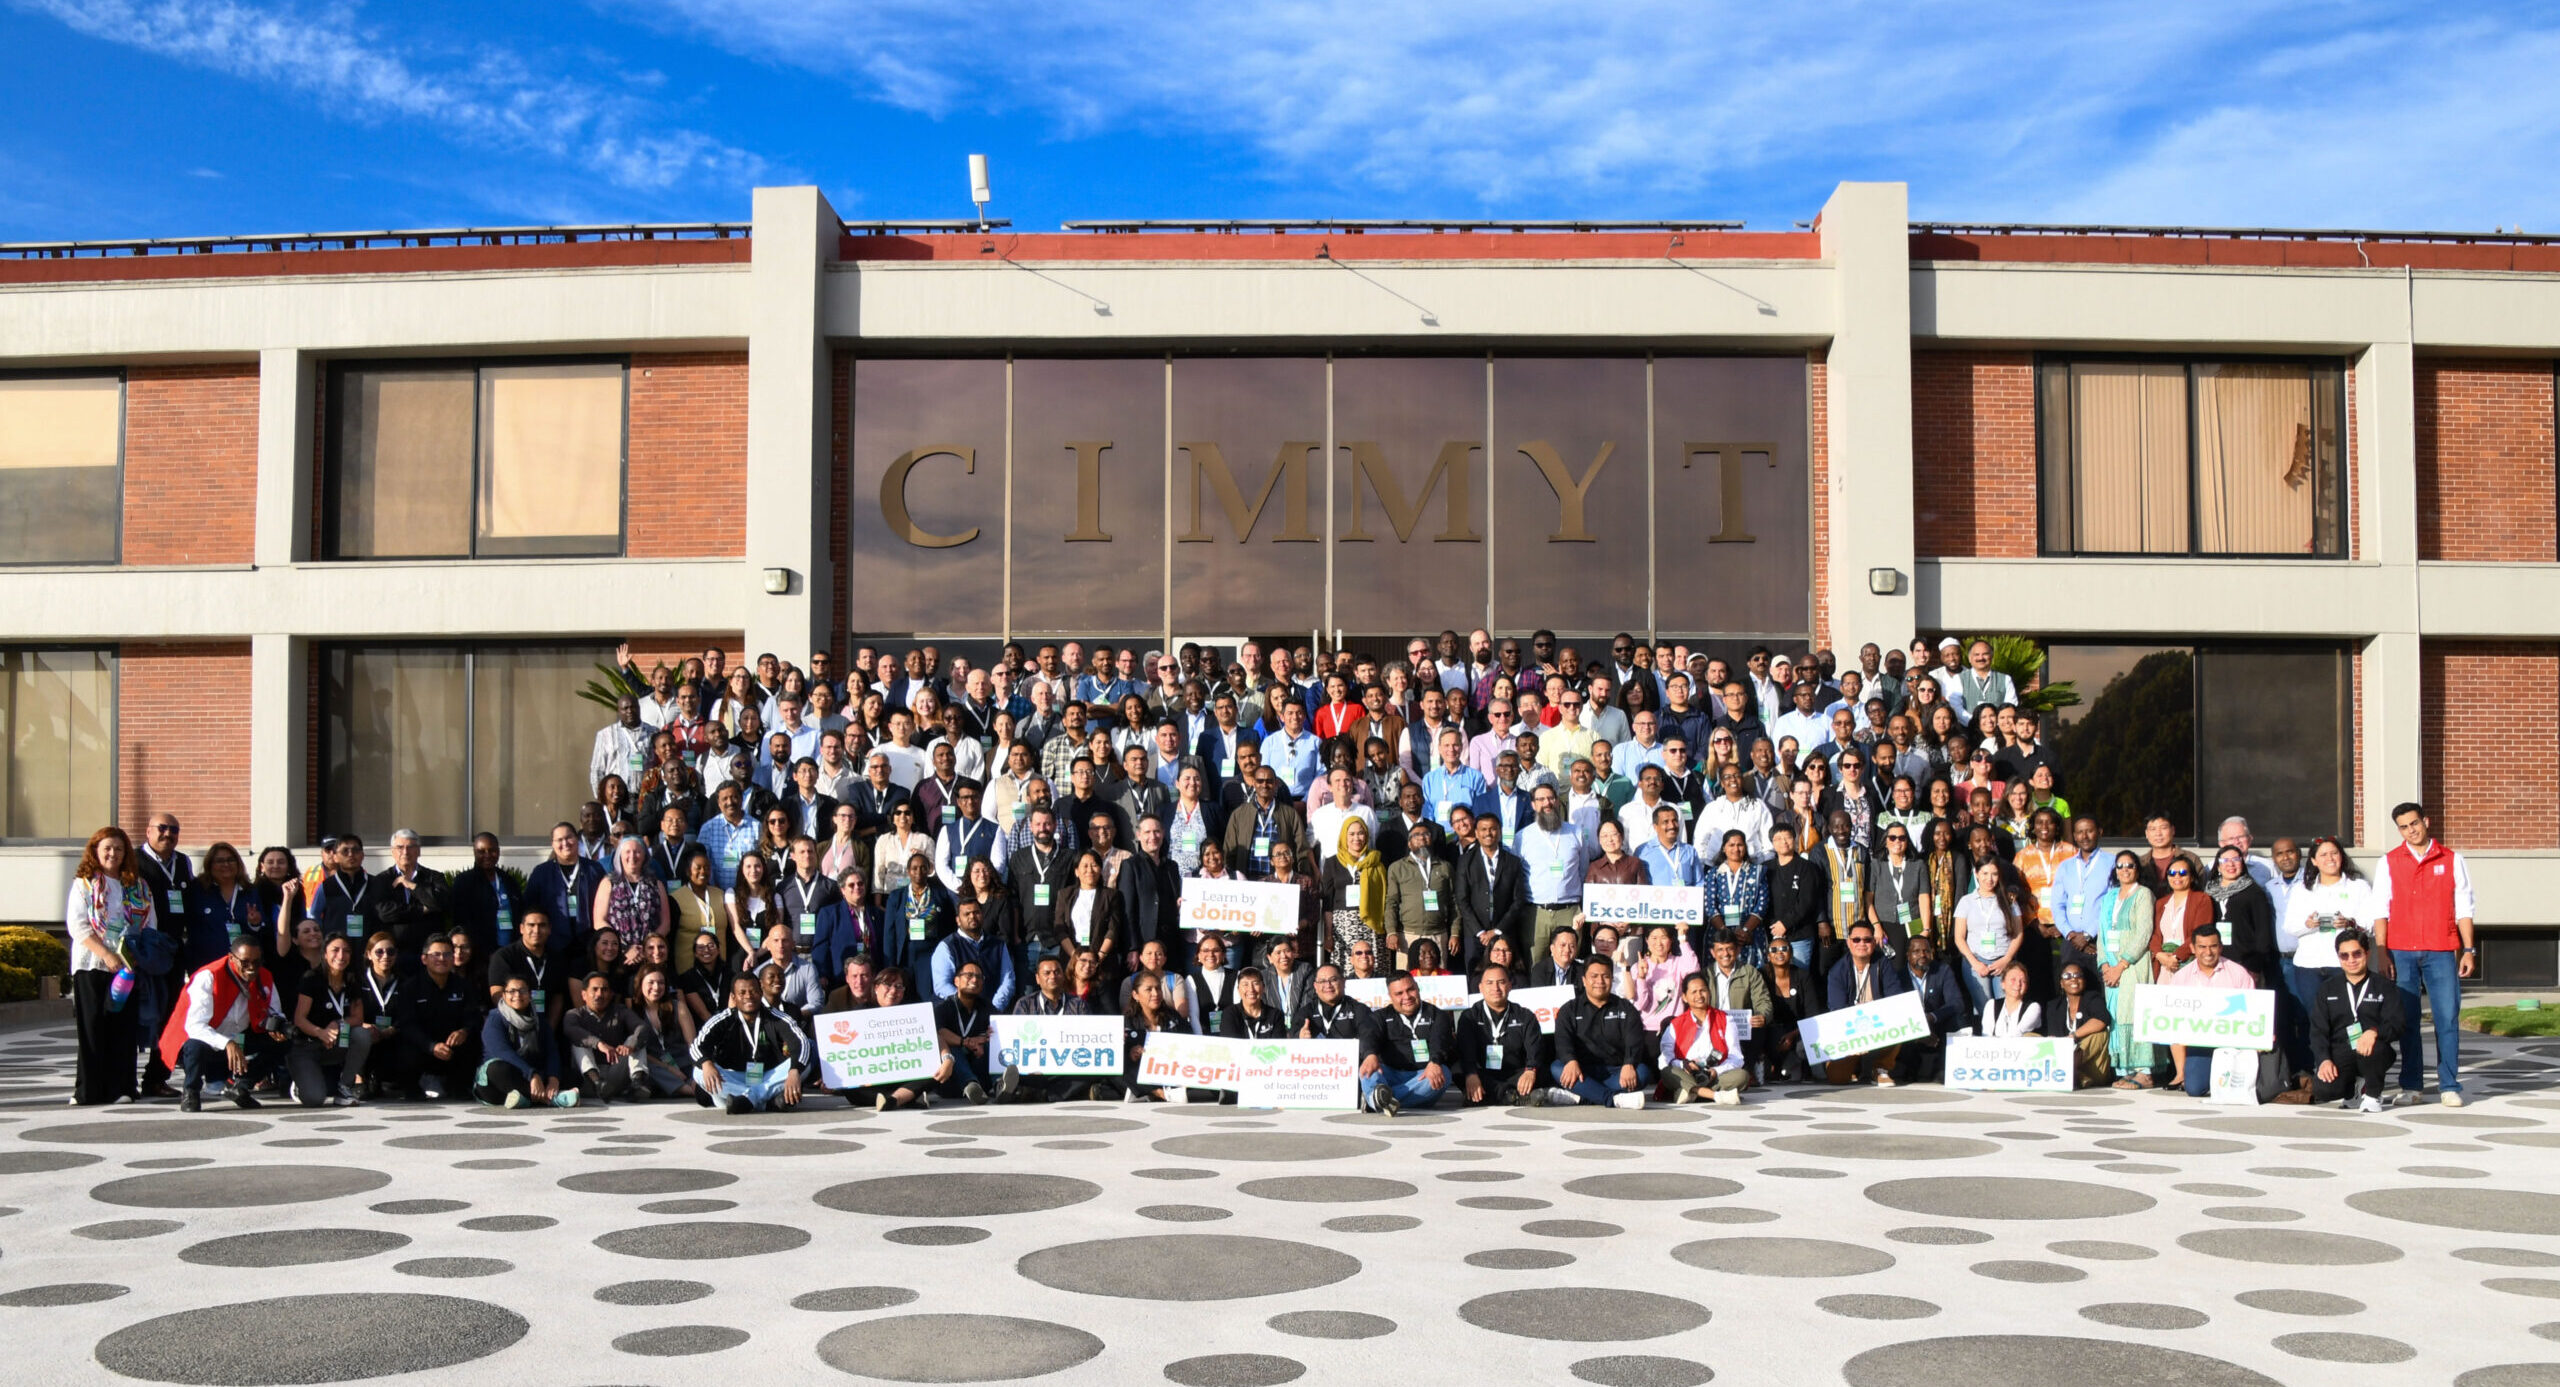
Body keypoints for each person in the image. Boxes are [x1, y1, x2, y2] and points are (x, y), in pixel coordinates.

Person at [2373, 801, 2477, 1106]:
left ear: (2426, 822)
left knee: (2447, 1018)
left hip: (2442, 950)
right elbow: (2380, 909)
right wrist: (2382, 952)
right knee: (2407, 1020)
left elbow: (2465, 908)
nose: (2411, 830)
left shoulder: (2452, 858)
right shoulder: (2389, 861)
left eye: (2414, 823)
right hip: (2401, 950)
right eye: (2404, 826)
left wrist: (2468, 950)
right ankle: (2412, 1086)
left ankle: (2449, 1086)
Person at [68, 826, 158, 1106]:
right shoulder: (84, 883)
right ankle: (88, 1090)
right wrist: (107, 955)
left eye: (118, 849)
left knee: (123, 1029)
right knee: (92, 1028)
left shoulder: (139, 886)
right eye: (107, 848)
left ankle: (123, 1088)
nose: (113, 854)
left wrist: (130, 956)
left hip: (127, 967)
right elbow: (78, 925)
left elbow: (149, 924)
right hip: (92, 965)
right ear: (96, 850)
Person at [163, 934, 290, 1111]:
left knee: (283, 1042)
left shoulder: (264, 976)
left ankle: (241, 1086)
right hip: (207, 1039)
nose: (251, 968)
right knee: (194, 1045)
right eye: (245, 962)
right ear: (232, 958)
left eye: (256, 962)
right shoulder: (209, 976)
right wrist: (227, 1043)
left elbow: (275, 1011)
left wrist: (278, 1026)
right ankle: (191, 1091)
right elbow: (195, 1026)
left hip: (240, 1036)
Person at [2310, 927, 2402, 1112]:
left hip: (2373, 1049)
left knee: (2373, 1049)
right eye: (2344, 956)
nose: (2351, 960)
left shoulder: (2385, 986)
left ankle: (2374, 1095)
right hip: (2341, 1050)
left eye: (2356, 954)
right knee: (2324, 1090)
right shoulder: (2328, 989)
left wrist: (2374, 1032)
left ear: (2367, 953)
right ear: (2338, 957)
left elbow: (2397, 1024)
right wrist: (2324, 1060)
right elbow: (2318, 1030)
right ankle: (2353, 1090)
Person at [694, 973, 808, 1113]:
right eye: (742, 993)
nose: (748, 996)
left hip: (768, 1076)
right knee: (699, 1070)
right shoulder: (723, 1019)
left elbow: (801, 1044)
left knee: (811, 1049)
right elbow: (697, 1046)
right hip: (732, 1079)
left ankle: (746, 1100)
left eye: (753, 991)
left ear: (761, 993)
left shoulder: (777, 1018)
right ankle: (763, 1102)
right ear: (734, 998)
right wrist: (706, 1063)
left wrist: (794, 1070)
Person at [2163, 923, 2254, 1097]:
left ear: (2220, 947)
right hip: (2199, 1042)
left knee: (2234, 1088)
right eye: (2202, 947)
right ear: (2192, 948)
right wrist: (2181, 1071)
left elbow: (2252, 1010)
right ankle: (2189, 1074)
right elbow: (2173, 1023)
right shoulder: (2182, 977)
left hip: (2232, 1041)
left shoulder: (2238, 973)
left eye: (2213, 946)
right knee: (2195, 1089)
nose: (2208, 952)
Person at [1548, 956, 1651, 1108]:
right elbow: (1563, 1041)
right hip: (1582, 1072)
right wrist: (1570, 1060)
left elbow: (1634, 1041)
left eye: (1605, 976)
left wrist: (1629, 1063)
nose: (1600, 981)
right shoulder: (1569, 1009)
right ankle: (1613, 1099)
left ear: (1612, 979)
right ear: (1584, 980)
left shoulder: (1626, 1008)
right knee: (1557, 1068)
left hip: (1616, 1071)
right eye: (1594, 976)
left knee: (1642, 1072)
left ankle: (1583, 1096)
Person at [391, 934, 483, 1101]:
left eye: (447, 954)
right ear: (424, 959)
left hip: (452, 1049)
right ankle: (413, 1088)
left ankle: (460, 1086)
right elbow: (407, 1024)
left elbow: (474, 1017)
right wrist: (431, 1046)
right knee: (404, 1047)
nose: (442, 959)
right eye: (436, 955)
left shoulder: (463, 986)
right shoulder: (410, 987)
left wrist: (464, 1031)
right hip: (424, 1048)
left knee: (474, 1040)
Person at [2095, 851, 2159, 1088]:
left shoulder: (2143, 894)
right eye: (2120, 866)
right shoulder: (2110, 896)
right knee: (2116, 1016)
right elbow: (2102, 933)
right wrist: (2104, 965)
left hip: (2132, 963)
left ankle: (2144, 1070)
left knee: (2133, 1012)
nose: (2124, 870)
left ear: (2137, 869)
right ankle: (2126, 1068)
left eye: (2129, 865)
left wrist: (2121, 965)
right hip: (2109, 965)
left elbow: (2144, 933)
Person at [288, 934, 373, 1107]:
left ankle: (345, 1086)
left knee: (362, 1034)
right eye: (335, 950)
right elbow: (299, 1019)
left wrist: (338, 1024)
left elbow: (358, 1018)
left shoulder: (352, 980)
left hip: (336, 1043)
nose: (341, 956)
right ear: (325, 954)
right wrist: (321, 1033)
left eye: (346, 951)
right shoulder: (311, 978)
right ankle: (300, 1081)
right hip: (308, 1045)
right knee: (314, 1099)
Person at [1823, 923, 1911, 1084]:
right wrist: (1855, 1037)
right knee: (1836, 1078)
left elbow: (1896, 998)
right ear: (1849, 942)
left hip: (1878, 1025)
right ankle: (1855, 1069)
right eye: (1856, 940)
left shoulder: (1883, 964)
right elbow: (1837, 1010)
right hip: (1849, 1029)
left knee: (1902, 1018)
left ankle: (1880, 1069)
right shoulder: (1837, 971)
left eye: (1867, 940)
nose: (1862, 944)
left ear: (1874, 942)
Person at [1363, 972, 1454, 1116]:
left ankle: (1377, 1101)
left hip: (1423, 1075)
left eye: (1410, 989)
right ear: (1390, 996)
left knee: (1445, 1073)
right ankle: (1382, 1098)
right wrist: (1370, 1054)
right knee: (1368, 1069)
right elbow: (1369, 1036)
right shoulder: (1380, 1016)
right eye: (1399, 993)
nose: (1406, 997)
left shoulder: (1437, 1015)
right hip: (1390, 1074)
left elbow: (1440, 1041)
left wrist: (1435, 1061)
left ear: (1417, 988)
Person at [476, 975, 573, 1108]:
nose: (517, 995)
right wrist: (531, 1074)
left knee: (572, 1075)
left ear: (530, 994)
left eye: (523, 991)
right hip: (502, 1083)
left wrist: (553, 1078)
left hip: (531, 1073)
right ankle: (552, 1098)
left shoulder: (539, 1019)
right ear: (503, 995)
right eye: (511, 991)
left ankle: (526, 1098)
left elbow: (551, 1049)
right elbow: (502, 1051)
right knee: (496, 1069)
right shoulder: (495, 1018)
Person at [1457, 963, 1546, 1105]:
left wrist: (1530, 1070)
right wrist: (1471, 1074)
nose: (1495, 988)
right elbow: (1466, 1052)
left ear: (1510, 985)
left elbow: (1534, 1049)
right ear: (1480, 987)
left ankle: (1492, 1096)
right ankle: (1514, 1096)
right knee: (1458, 1072)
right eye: (1490, 983)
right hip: (1483, 1074)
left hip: (1516, 1073)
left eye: (1501, 982)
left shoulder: (1525, 1015)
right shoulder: (1470, 1017)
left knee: (1542, 1072)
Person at [1659, 972, 1747, 1105]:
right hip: (1687, 1074)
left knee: (1742, 1075)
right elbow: (1666, 1060)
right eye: (1694, 992)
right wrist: (1684, 1064)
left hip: (1714, 1076)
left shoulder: (1725, 1020)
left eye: (1702, 990)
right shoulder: (1675, 1024)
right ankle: (1715, 1096)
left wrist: (1716, 1071)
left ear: (1709, 992)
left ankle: (1689, 1092)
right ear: (1684, 997)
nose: (1699, 996)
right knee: (1667, 1072)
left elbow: (1736, 1057)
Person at [565, 971, 652, 1103]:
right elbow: (571, 1030)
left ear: (611, 994)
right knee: (579, 1042)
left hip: (614, 1073)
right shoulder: (574, 1014)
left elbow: (641, 1027)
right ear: (584, 994)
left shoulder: (620, 1011)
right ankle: (597, 1083)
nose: (599, 994)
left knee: (636, 1039)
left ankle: (637, 1084)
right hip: (587, 1079)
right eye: (595, 990)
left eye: (604, 990)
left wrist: (630, 1046)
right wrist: (599, 1043)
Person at [1951, 859, 2021, 1012]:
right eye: (1985, 873)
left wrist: (2007, 959)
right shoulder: (1966, 901)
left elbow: (2018, 933)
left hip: (2003, 959)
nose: (1989, 879)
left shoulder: (2009, 901)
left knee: (2005, 1008)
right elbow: (1959, 937)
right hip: (1976, 960)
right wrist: (1975, 963)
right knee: (1984, 1009)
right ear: (1976, 874)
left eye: (1994, 874)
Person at [1383, 820, 1454, 969]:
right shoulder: (1397, 868)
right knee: (1406, 981)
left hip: (1438, 934)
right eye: (1416, 835)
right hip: (1408, 935)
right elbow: (1392, 902)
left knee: (1438, 982)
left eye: (1426, 834)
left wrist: (1455, 933)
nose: (1421, 838)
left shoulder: (1445, 867)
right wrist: (1391, 931)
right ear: (1409, 843)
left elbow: (1454, 902)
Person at [1319, 817, 1387, 969]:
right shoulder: (1332, 863)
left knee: (1373, 968)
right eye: (1352, 834)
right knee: (1345, 969)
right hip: (1343, 925)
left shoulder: (1376, 861)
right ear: (1344, 836)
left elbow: (1384, 898)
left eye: (1360, 833)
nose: (1356, 838)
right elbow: (1328, 903)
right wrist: (1328, 934)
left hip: (1372, 923)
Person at [1121, 970, 1192, 1103]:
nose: (1156, 994)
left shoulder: (1173, 1016)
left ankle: (1142, 1091)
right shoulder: (1127, 1021)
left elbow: (1190, 1042)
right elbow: (1122, 1053)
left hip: (1169, 1069)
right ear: (1135, 995)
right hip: (1140, 1071)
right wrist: (1131, 1053)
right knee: (1119, 1064)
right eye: (1149, 989)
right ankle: (1160, 1093)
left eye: (1158, 988)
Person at [2043, 959, 2113, 1089]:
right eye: (2067, 976)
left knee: (2100, 1035)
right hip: (2058, 1064)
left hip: (2092, 1068)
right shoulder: (2054, 1006)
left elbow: (2101, 1020)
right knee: (2029, 1035)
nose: (2073, 979)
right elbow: (2054, 1038)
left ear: (2084, 980)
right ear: (2061, 983)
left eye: (2078, 975)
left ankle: (2071, 1071)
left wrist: (2073, 1036)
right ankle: (2076, 1076)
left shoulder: (2092, 998)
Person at [1982, 960, 2042, 1037]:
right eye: (2013, 980)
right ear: (2003, 984)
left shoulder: (2033, 1007)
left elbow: (2017, 1034)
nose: (2018, 984)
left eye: (2023, 981)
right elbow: (1986, 1035)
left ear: (2026, 986)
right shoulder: (1991, 1005)